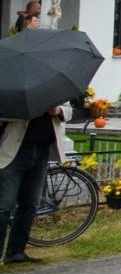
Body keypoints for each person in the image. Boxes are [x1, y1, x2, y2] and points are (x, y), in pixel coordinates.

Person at [0, 100, 72, 263]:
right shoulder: (13, 86)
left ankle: (15, 253)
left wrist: (58, 110)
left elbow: (69, 111)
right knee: (3, 205)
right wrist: (26, 109)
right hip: (14, 152)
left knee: (30, 204)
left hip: (41, 152)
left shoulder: (53, 87)